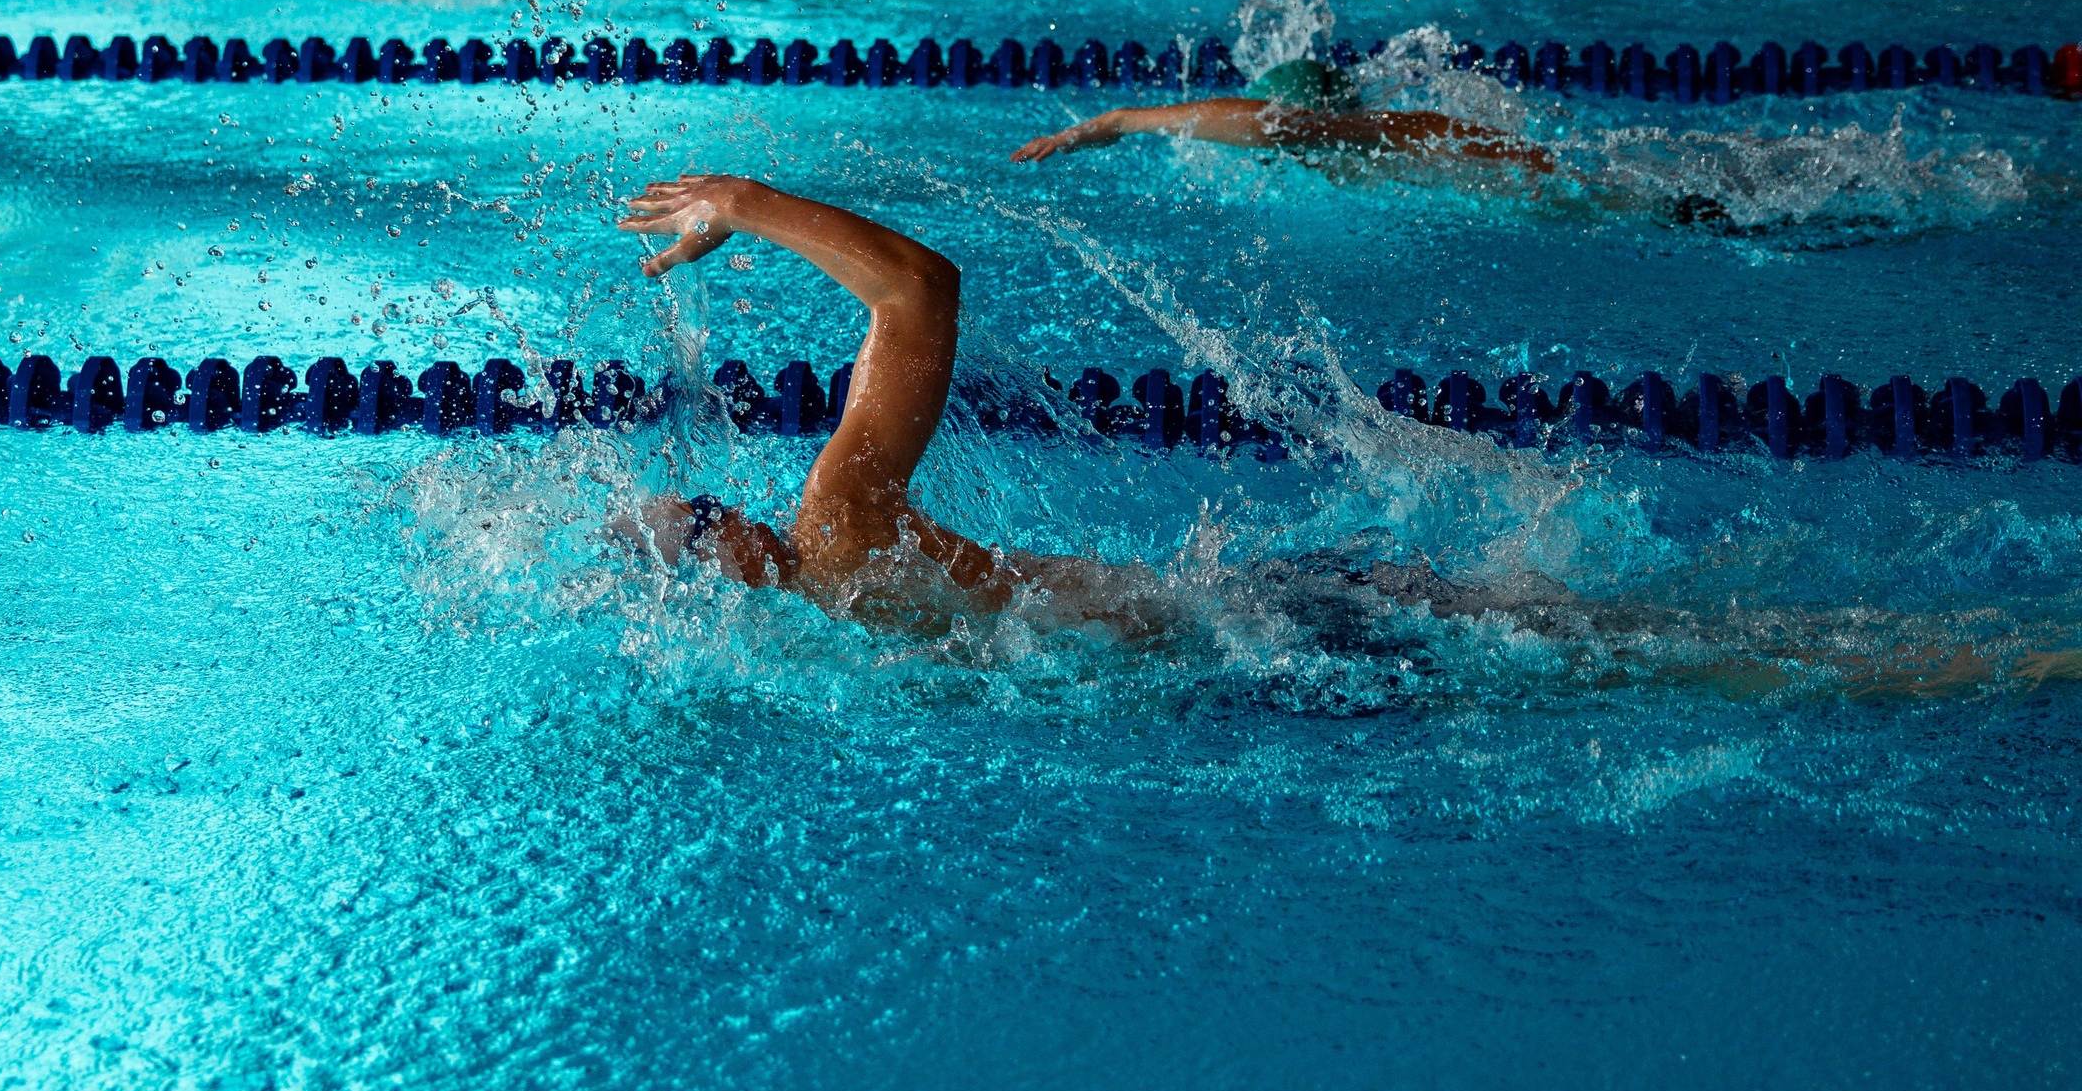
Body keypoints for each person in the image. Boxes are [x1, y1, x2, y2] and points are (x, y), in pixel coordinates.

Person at [613, 171, 1593, 641]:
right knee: (1596, 637)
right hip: (1253, 627)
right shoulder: (837, 529)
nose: (729, 509)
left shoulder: (840, 626)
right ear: (719, 568)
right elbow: (918, 290)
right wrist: (743, 202)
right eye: (702, 521)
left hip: (1213, 670)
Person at [1008, 58, 1555, 174]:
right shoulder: (1353, 134)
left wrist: (1079, 134)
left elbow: (1129, 119)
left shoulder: (1310, 130)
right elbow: (1127, 119)